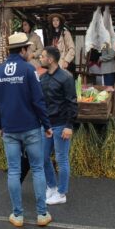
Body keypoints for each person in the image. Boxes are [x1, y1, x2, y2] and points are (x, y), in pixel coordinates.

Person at [0, 32, 53, 228]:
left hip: (9, 128)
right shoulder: (29, 70)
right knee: (37, 168)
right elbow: (38, 100)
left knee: (14, 171)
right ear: (23, 49)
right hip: (31, 127)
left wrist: (0, 125)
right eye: (29, 49)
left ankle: (17, 215)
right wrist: (47, 124)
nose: (30, 52)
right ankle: (42, 214)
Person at [39, 46, 78, 205]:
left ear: (51, 59)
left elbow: (72, 103)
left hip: (62, 125)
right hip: (46, 125)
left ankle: (62, 194)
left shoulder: (66, 78)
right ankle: (52, 187)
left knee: (61, 159)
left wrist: (69, 126)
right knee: (43, 158)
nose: (40, 58)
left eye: (42, 56)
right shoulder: (42, 78)